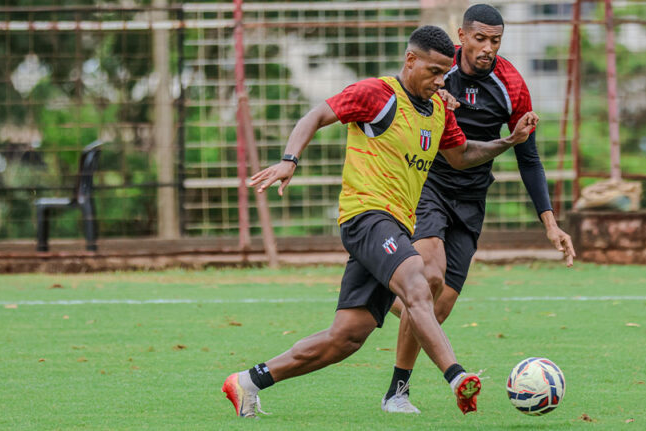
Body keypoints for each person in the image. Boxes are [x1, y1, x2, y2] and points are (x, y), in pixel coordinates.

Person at [222, 25, 539, 419]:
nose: (441, 81)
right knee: (418, 282)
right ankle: (456, 377)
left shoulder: (439, 109)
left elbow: (460, 155)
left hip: (396, 226)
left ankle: (247, 382)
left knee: (346, 337)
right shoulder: (378, 94)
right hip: (366, 216)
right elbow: (316, 114)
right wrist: (290, 160)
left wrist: (508, 142)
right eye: (434, 72)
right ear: (410, 60)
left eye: (445, 73)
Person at [381, 4, 576, 414]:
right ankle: (397, 392)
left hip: (471, 199)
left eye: (496, 41)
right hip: (428, 185)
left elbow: (529, 158)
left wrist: (550, 224)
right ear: (463, 36)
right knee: (429, 276)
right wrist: (432, 97)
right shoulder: (440, 69)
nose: (488, 48)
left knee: (438, 306)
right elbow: (402, 99)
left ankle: (385, 297)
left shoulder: (512, 85)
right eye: (480, 39)